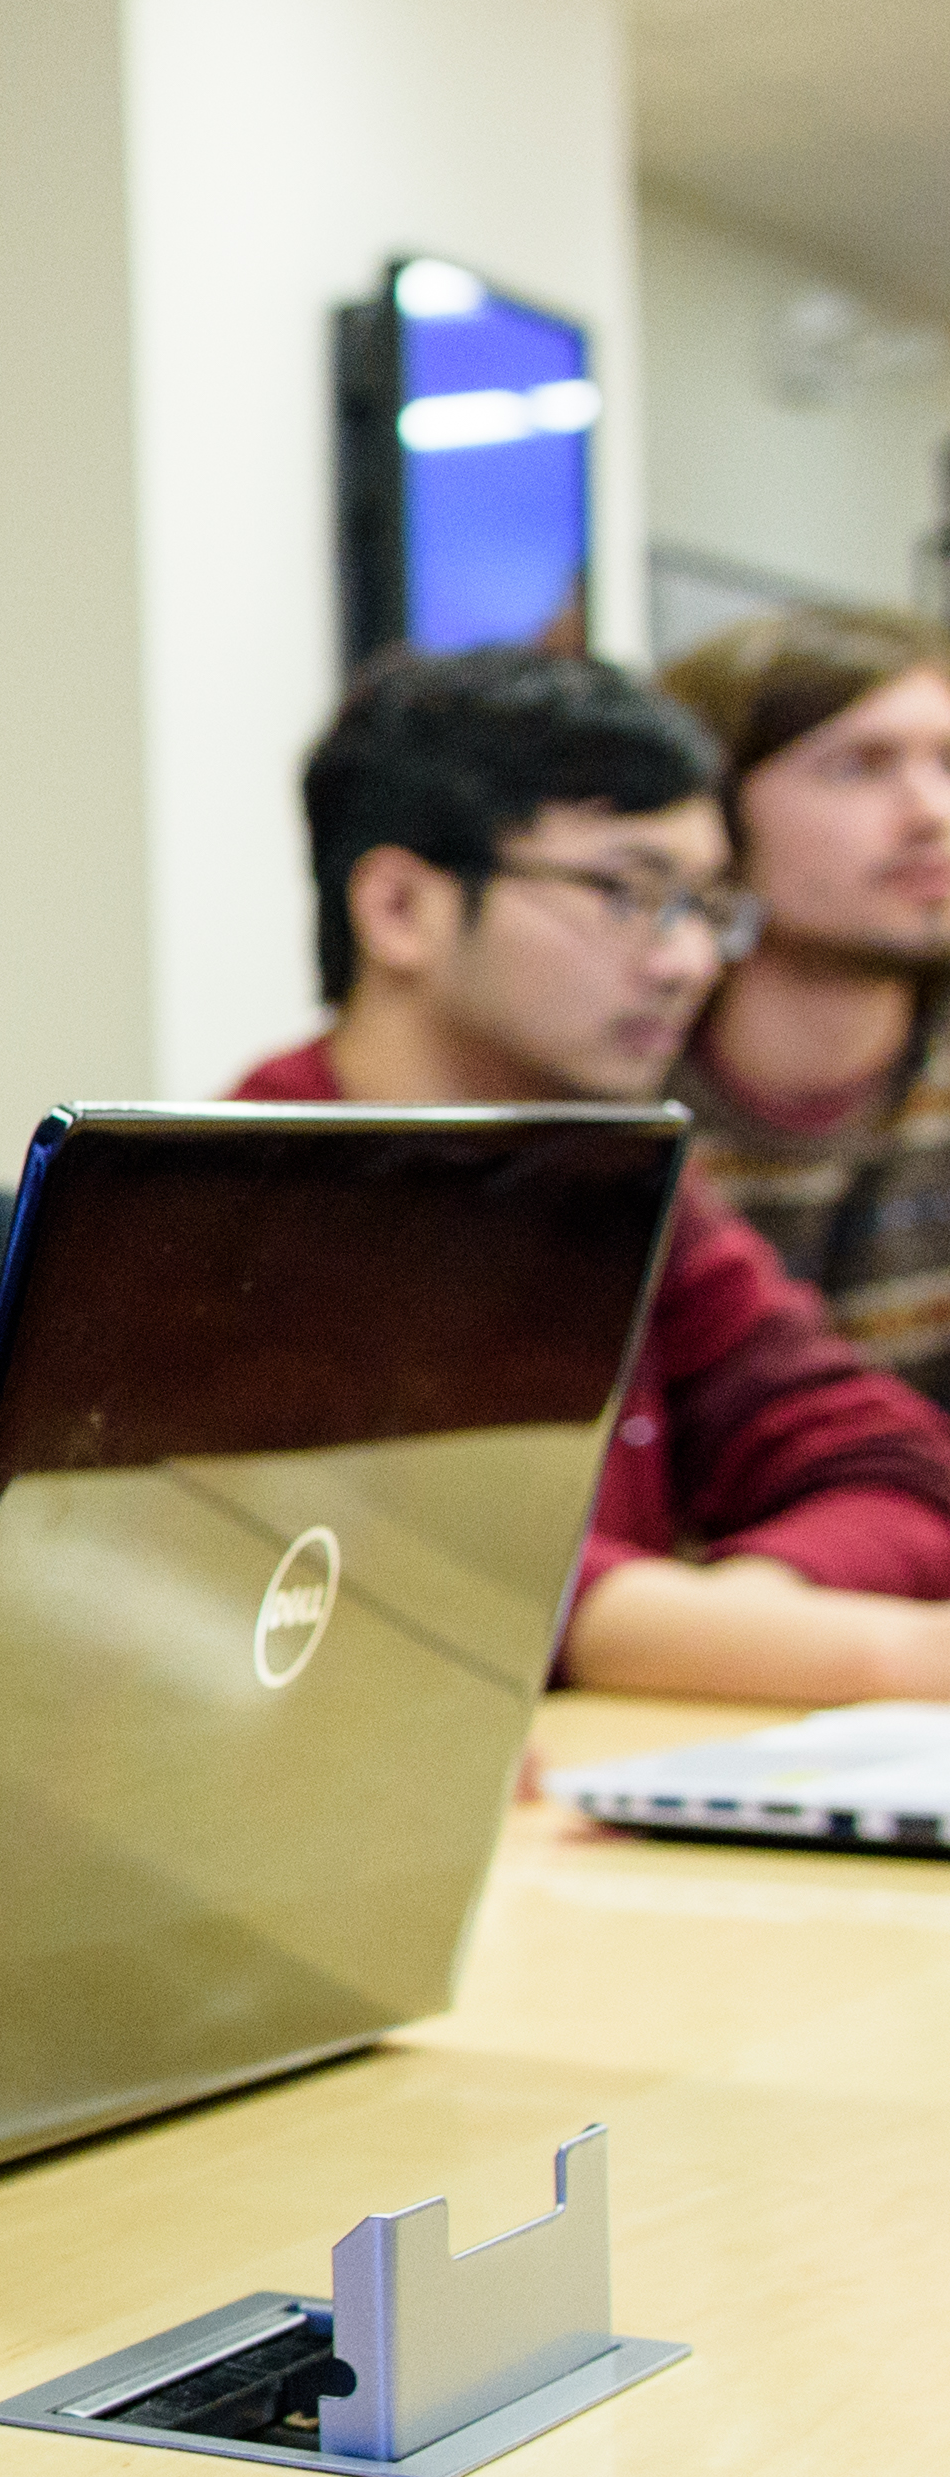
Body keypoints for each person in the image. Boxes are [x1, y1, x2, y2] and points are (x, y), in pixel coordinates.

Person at [237, 643, 950, 1698]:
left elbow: (895, 1463)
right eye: (628, 892)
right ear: (398, 907)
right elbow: (389, 1568)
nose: (686, 961)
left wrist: (739, 1618)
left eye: (706, 904)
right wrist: (860, 1650)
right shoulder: (236, 1195)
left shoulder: (611, 1169)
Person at [670, 604, 950, 1394]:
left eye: (948, 765)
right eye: (860, 766)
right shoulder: (616, 1104)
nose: (930, 814)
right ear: (713, 814)